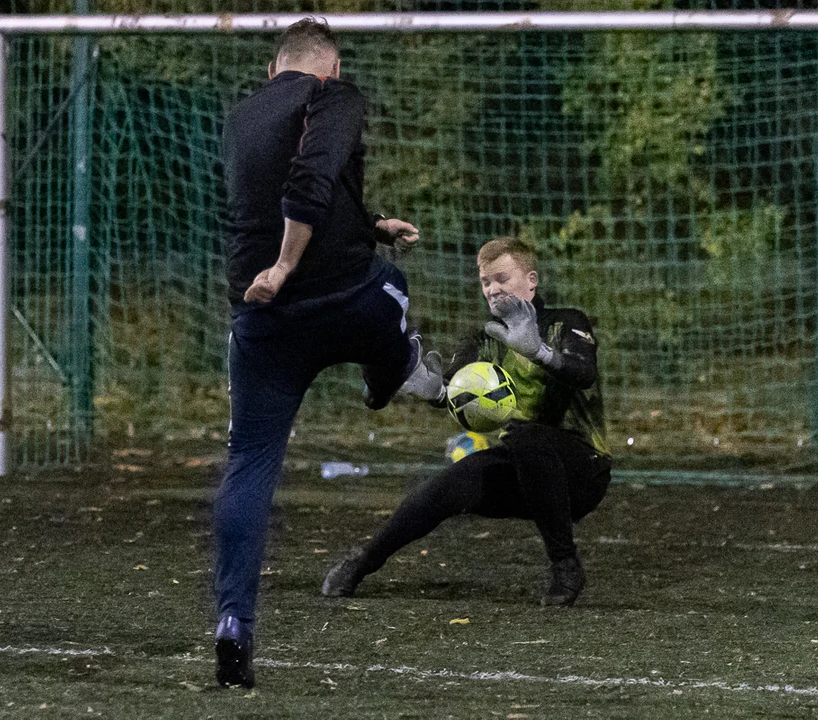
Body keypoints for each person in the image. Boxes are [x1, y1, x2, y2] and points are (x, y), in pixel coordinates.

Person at [214, 17, 427, 689]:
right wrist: (284, 265)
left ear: (275, 70)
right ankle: (390, 373)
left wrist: (369, 224)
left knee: (248, 465)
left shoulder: (244, 113)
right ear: (328, 68)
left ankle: (231, 626)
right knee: (393, 288)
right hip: (337, 298)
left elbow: (288, 189)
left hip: (261, 318)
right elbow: (307, 182)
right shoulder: (335, 95)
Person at [322, 236, 612, 608]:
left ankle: (565, 566)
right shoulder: (481, 341)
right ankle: (362, 564)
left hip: (583, 471)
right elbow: (460, 399)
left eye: (502, 278)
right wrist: (437, 394)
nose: (492, 289)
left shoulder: (566, 322)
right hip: (526, 468)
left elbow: (584, 373)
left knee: (526, 438)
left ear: (531, 281)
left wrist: (539, 351)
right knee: (449, 484)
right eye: (486, 282)